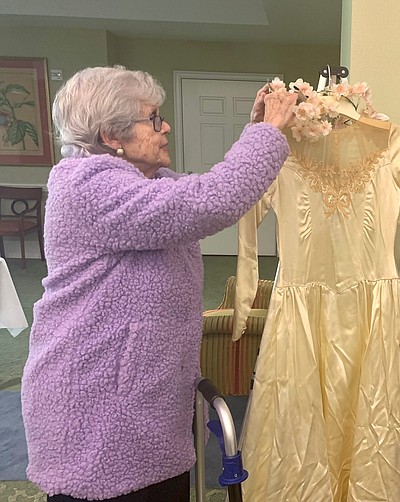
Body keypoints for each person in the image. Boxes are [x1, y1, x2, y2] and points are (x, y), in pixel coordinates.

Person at [20, 65, 297, 502]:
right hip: (98, 406)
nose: (164, 126)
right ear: (111, 135)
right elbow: (212, 202)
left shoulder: (149, 182)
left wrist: (256, 130)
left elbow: (212, 188)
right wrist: (268, 134)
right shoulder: (88, 186)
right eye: (152, 119)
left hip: (144, 399)